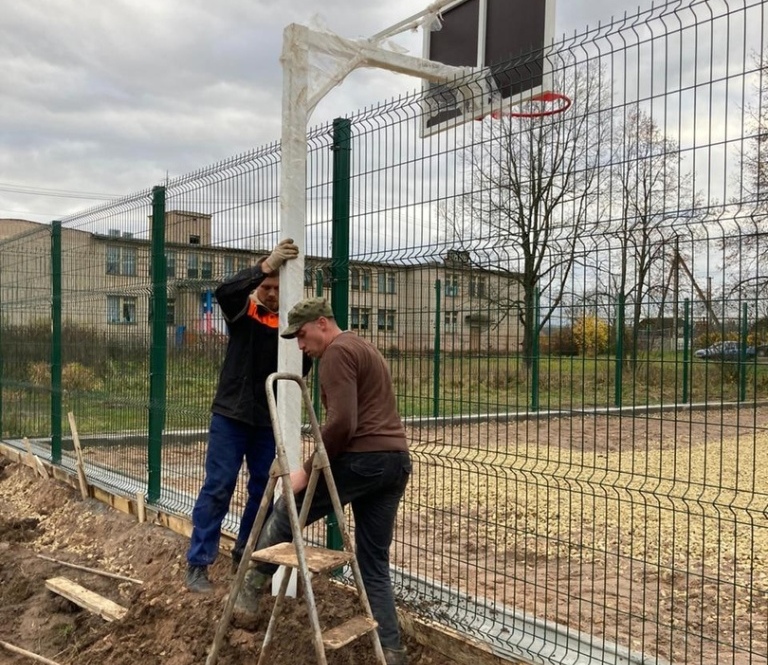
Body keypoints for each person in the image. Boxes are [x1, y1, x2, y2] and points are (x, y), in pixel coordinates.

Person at [237, 297, 411, 665]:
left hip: (364, 460)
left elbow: (343, 423)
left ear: (321, 323)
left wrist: (306, 468)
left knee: (289, 506)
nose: (301, 346)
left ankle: (251, 588)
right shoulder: (364, 346)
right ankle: (392, 652)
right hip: (395, 463)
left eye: (301, 336)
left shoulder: (336, 353)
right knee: (372, 562)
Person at [185, 239, 311, 593]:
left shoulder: (290, 326)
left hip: (266, 420)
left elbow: (304, 366)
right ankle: (198, 563)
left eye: (277, 289)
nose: (272, 294)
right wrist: (265, 266)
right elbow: (225, 291)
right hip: (231, 415)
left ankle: (246, 551)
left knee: (262, 490)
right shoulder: (244, 313)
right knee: (218, 487)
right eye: (266, 288)